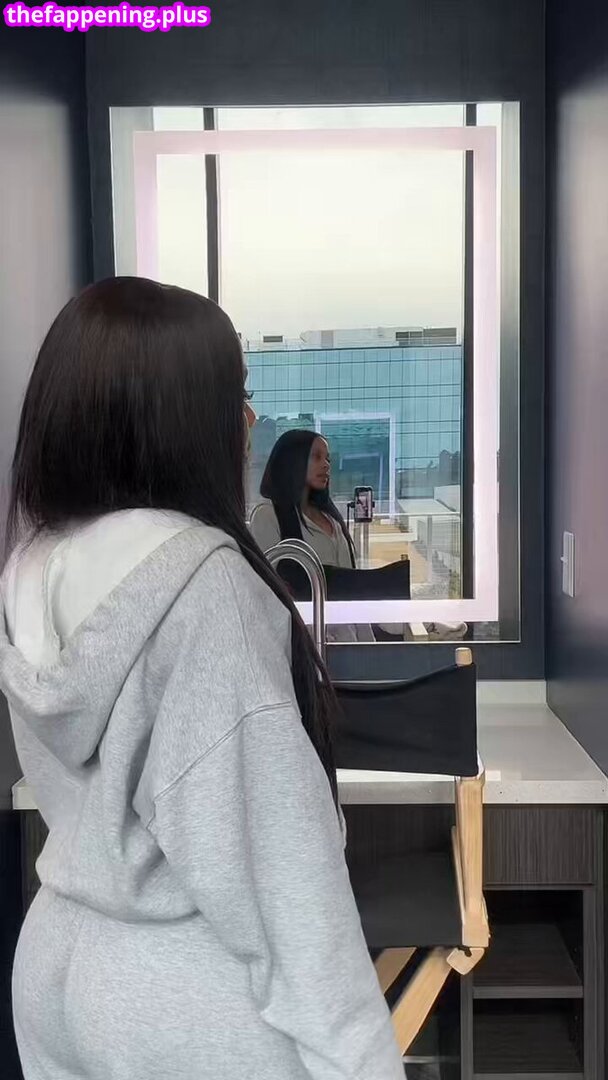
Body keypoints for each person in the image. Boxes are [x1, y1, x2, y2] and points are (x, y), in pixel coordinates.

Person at [0, 278, 403, 1080]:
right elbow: (287, 886)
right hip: (189, 1003)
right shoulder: (204, 589)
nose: (248, 422)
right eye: (237, 394)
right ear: (175, 415)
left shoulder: (32, 568)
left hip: (56, 968)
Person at [250, 429, 356, 570]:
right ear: (292, 460)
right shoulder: (267, 515)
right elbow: (266, 576)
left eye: (327, 459)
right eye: (316, 457)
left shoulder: (330, 517)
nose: (326, 465)